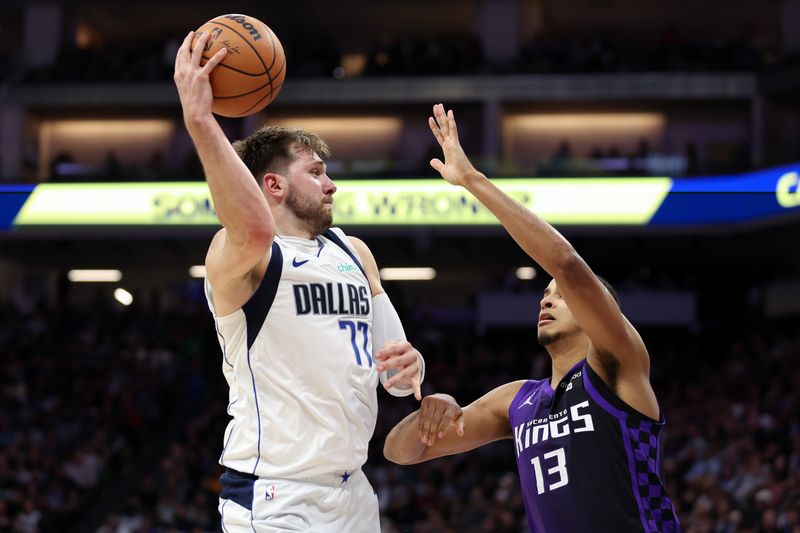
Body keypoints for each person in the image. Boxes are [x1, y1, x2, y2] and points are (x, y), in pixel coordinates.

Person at [382, 104, 680, 532]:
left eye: (561, 297)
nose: (547, 300)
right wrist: (435, 409)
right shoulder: (519, 400)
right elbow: (399, 451)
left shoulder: (619, 364)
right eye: (544, 294)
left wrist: (471, 179)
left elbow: (568, 266)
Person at [173, 31, 425, 532]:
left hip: (354, 490)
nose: (332, 184)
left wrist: (412, 365)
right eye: (316, 172)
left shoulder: (354, 253)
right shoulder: (240, 257)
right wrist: (201, 120)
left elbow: (399, 377)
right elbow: (253, 229)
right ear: (274, 184)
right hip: (275, 497)